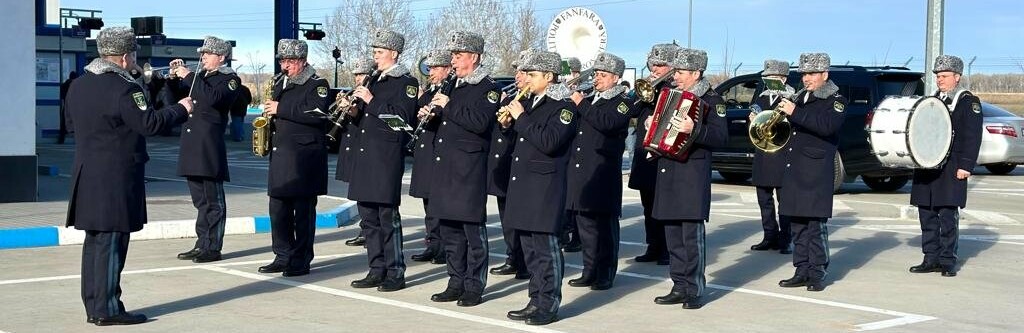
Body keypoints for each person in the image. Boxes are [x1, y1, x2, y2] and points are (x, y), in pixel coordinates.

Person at [65, 26, 194, 326]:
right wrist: (180, 109)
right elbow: (148, 123)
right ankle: (108, 309)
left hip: (87, 174)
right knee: (112, 242)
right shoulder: (125, 88)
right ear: (124, 57)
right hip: (115, 176)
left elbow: (71, 125)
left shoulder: (78, 85)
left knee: (94, 241)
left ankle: (94, 306)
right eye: (134, 54)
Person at [648, 48, 727, 310]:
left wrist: (696, 130)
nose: (675, 77)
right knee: (672, 236)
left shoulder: (713, 100)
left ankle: (693, 288)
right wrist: (652, 126)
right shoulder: (669, 96)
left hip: (692, 175)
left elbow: (720, 138)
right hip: (668, 171)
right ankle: (678, 284)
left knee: (690, 237)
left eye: (680, 73)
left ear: (695, 73)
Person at [501, 50, 576, 326]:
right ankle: (535, 299)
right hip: (525, 185)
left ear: (548, 76)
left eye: (532, 75)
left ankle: (549, 303)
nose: (527, 80)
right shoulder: (532, 102)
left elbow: (549, 142)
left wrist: (520, 118)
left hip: (545, 188)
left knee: (546, 249)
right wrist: (509, 126)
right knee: (530, 250)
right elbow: (524, 141)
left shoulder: (563, 107)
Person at [425, 31, 498, 307]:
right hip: (446, 166)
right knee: (450, 231)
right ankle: (455, 281)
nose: (453, 61)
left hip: (469, 168)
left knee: (472, 231)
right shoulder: (452, 84)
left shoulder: (488, 88)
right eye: (453, 56)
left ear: (474, 57)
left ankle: (474, 285)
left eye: (458, 56)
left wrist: (449, 105)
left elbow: (480, 122)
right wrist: (432, 114)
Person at [346, 29, 419, 292]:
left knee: (387, 218)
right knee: (369, 220)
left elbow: (401, 120)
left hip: (385, 159)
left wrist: (371, 100)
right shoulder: (374, 79)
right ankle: (376, 269)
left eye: (379, 52)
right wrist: (353, 110)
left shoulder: (406, 83)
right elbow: (366, 119)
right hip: (364, 157)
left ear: (394, 53)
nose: (374, 57)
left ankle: (395, 272)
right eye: (374, 52)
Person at [256, 39, 331, 277]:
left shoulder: (318, 84)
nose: (285, 66)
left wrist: (280, 109)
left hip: (304, 160)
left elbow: (317, 114)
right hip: (281, 156)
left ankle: (301, 259)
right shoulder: (279, 82)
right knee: (278, 210)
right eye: (282, 61)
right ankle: (282, 254)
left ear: (302, 61)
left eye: (290, 61)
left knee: (303, 213)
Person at [775, 52, 846, 292]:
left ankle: (817, 272)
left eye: (812, 74)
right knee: (797, 224)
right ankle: (801, 268)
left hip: (816, 171)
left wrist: (794, 112)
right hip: (794, 167)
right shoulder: (799, 97)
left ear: (824, 74)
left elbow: (827, 127)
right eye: (804, 74)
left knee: (815, 226)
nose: (806, 78)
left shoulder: (835, 100)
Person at [565, 52, 635, 291]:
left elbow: (606, 123)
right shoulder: (591, 98)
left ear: (616, 78)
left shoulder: (623, 101)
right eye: (596, 74)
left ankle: (605, 272)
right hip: (582, 168)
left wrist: (580, 103)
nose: (597, 79)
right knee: (584, 226)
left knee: (604, 227)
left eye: (603, 75)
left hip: (603, 170)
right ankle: (589, 269)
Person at [908, 55, 983, 277]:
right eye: (938, 76)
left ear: (957, 77)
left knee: (947, 215)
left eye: (944, 76)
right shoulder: (932, 100)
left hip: (952, 166)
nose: (940, 80)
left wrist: (966, 165)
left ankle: (947, 260)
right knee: (927, 213)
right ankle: (930, 257)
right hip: (927, 166)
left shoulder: (968, 101)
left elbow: (972, 136)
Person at [170, 36, 241, 263]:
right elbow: (172, 97)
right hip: (192, 145)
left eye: (207, 54)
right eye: (202, 54)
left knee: (213, 201)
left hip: (209, 146)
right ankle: (202, 242)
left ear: (221, 57)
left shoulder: (229, 79)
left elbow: (212, 98)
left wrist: (189, 75)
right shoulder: (201, 77)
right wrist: (174, 76)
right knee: (200, 201)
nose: (202, 58)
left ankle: (213, 246)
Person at [628, 43, 681, 266]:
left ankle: (667, 249)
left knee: (665, 206)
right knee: (648, 205)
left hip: (664, 155)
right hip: (645, 154)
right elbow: (631, 111)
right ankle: (653, 245)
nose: (656, 69)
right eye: (654, 65)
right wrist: (643, 92)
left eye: (661, 65)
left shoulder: (676, 88)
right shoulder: (648, 87)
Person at [487, 50, 532, 280]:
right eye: (517, 71)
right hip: (505, 165)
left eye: (523, 72)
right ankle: (513, 256)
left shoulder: (531, 101)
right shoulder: (512, 97)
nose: (518, 76)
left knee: (521, 218)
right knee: (507, 217)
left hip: (521, 166)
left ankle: (524, 262)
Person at [409, 49, 452, 265]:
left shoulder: (450, 92)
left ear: (447, 69)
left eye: (435, 68)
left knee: (439, 203)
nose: (431, 73)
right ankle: (432, 243)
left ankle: (443, 247)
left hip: (439, 153)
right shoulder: (429, 92)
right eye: (430, 68)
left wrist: (435, 114)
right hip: (425, 151)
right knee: (428, 203)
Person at [749, 59, 795, 255]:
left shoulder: (793, 98)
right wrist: (751, 120)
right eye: (766, 78)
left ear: (783, 79)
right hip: (763, 152)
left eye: (772, 78)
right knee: (764, 199)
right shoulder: (761, 97)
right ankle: (769, 236)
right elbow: (753, 115)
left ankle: (786, 238)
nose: (768, 81)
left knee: (784, 200)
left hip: (782, 154)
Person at [337, 58, 377, 247]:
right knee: (359, 195)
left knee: (368, 197)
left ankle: (368, 231)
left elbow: (368, 119)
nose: (357, 79)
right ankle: (365, 229)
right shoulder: (356, 93)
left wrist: (354, 110)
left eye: (361, 75)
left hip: (366, 149)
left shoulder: (371, 94)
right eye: (356, 75)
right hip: (351, 146)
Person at [58, 71, 79, 144]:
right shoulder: (77, 85)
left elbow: (61, 95)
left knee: (63, 122)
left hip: (66, 105)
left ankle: (61, 139)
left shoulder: (64, 85)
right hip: (76, 105)